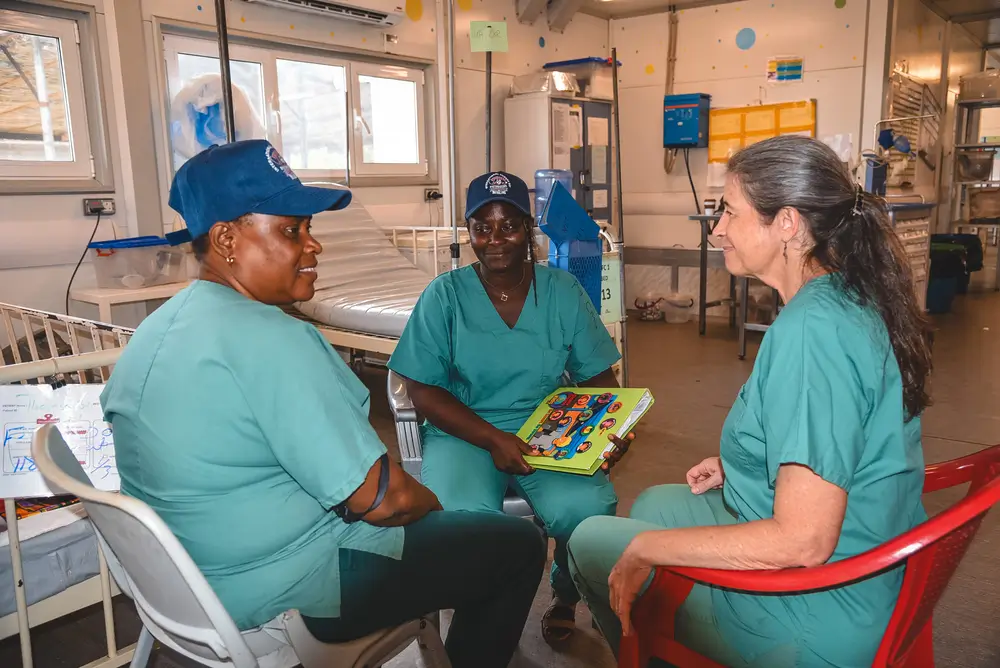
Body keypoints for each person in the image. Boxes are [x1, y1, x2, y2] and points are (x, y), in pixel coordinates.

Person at [100, 141, 546, 668]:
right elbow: (385, 500)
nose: (313, 247)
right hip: (283, 589)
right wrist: (436, 509)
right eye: (291, 230)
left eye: (308, 229)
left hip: (181, 584)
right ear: (226, 240)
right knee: (517, 546)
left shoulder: (156, 328)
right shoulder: (275, 341)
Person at [568, 135, 932, 667]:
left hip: (817, 609)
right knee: (652, 505)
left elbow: (803, 542)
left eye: (730, 212)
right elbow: (839, 432)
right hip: (874, 556)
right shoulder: (847, 296)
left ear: (786, 223)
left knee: (593, 539)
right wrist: (746, 461)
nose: (717, 229)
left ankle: (654, 647)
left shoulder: (813, 332)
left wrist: (647, 550)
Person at [387, 170, 633, 647]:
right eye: (482, 227)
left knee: (586, 509)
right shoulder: (445, 295)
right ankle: (486, 610)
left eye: (508, 226)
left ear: (528, 230)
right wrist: (492, 439)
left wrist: (611, 430)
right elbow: (423, 391)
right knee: (465, 520)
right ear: (469, 233)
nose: (494, 239)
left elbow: (600, 380)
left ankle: (565, 595)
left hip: (548, 429)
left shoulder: (560, 292)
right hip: (463, 429)